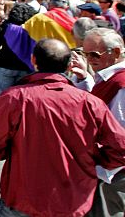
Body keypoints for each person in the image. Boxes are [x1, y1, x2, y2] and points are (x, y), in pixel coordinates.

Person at [0, 39, 125, 217]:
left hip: (24, 194)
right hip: (73, 197)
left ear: (34, 60)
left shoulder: (13, 98)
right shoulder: (90, 103)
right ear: (68, 65)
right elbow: (120, 148)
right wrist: (92, 162)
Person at [69, 27, 125, 215]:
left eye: (94, 54)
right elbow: (96, 104)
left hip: (115, 170)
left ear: (116, 52)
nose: (90, 59)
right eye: (85, 54)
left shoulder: (120, 84)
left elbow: (119, 131)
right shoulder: (108, 77)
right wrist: (84, 77)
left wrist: (107, 166)